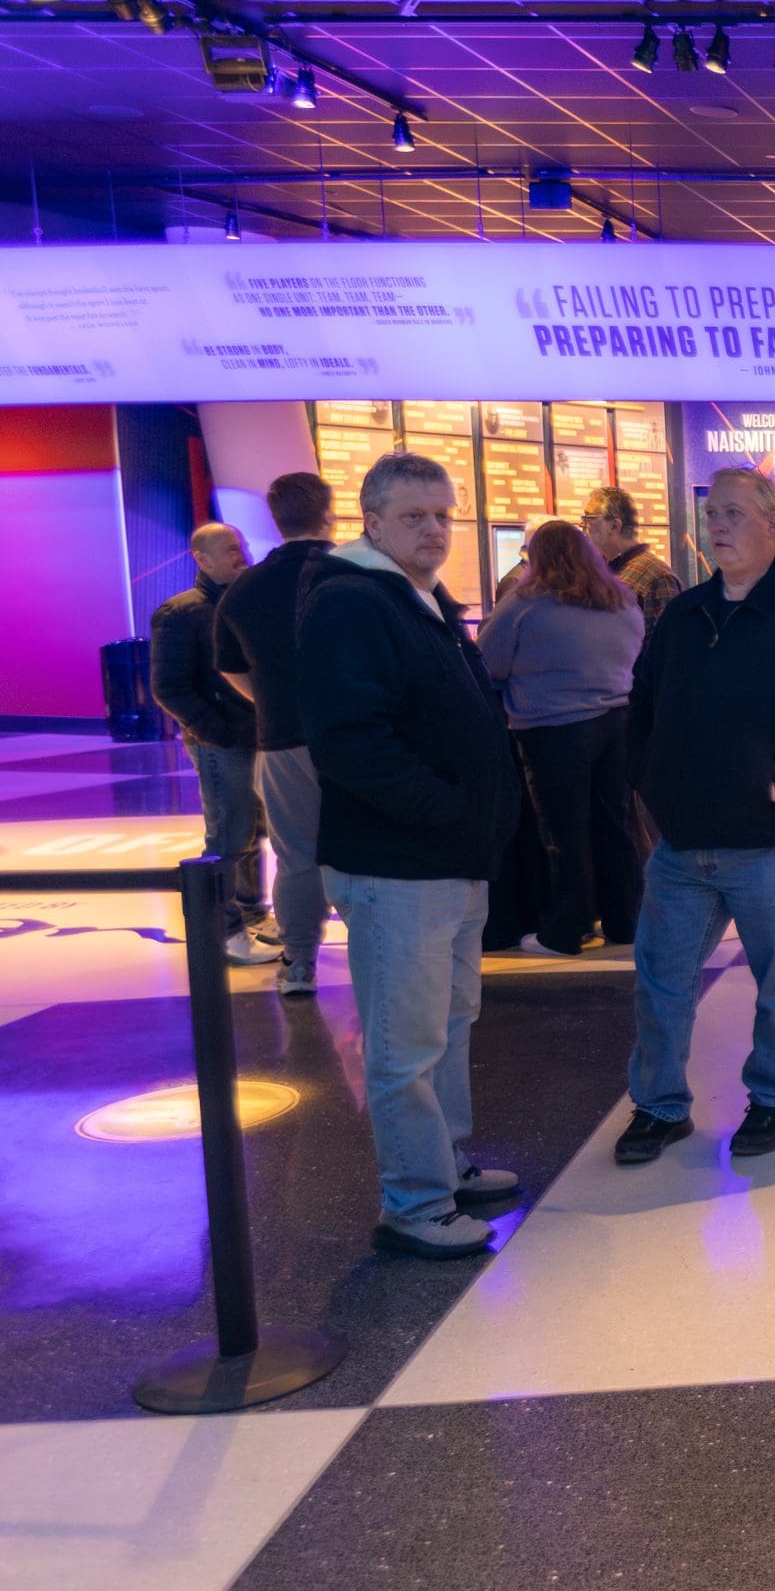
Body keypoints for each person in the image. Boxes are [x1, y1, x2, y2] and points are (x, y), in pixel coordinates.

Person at [614, 467, 775, 1167]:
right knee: (661, 981)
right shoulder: (685, 615)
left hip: (773, 843)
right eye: (713, 515)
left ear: (773, 525)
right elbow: (643, 702)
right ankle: (659, 1105)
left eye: (734, 513)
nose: (719, 526)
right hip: (683, 843)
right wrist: (649, 779)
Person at [298, 452, 524, 1260]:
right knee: (404, 1042)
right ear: (372, 521)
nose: (434, 529)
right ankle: (415, 1201)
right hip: (397, 863)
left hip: (448, 859)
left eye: (442, 514)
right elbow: (350, 740)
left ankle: (444, 1164)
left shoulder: (418, 596)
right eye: (414, 516)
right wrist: (445, 808)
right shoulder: (351, 603)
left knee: (448, 1025)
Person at [477, 521, 646, 959]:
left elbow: (488, 662)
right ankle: (625, 921)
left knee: (563, 834)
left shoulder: (524, 604)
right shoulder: (620, 598)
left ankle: (565, 931)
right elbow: (635, 652)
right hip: (616, 723)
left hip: (552, 729)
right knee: (614, 826)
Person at [214, 471, 339, 996]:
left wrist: (270, 700)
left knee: (298, 859)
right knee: (374, 853)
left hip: (283, 738)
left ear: (274, 517)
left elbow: (230, 668)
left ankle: (300, 963)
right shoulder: (358, 573)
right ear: (329, 514)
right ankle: (383, 957)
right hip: (359, 734)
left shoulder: (243, 589)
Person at [151, 522, 273, 963]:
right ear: (201, 559)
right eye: (229, 549)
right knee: (229, 834)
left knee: (253, 830)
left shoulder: (250, 602)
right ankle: (224, 931)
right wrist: (215, 731)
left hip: (259, 737)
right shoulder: (180, 613)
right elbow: (169, 687)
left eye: (241, 545)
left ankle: (252, 914)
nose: (241, 554)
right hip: (223, 742)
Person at [580, 486, 680, 631]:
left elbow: (673, 639)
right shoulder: (607, 571)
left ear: (615, 526)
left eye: (589, 518)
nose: (582, 525)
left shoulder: (658, 578)